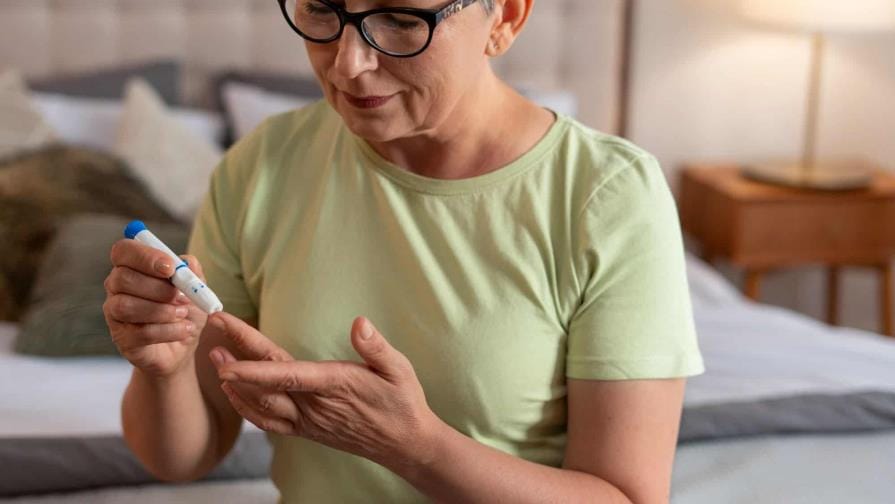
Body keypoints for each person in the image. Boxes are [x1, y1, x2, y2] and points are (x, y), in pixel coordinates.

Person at [102, 0, 705, 502]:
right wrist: (164, 369)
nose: (349, 63)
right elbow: (182, 459)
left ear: (507, 18)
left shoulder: (606, 195)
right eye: (321, 10)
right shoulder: (262, 166)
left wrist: (415, 447)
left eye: (400, 20)